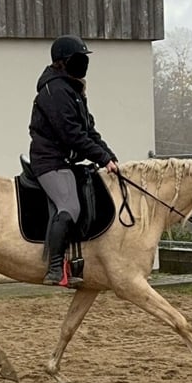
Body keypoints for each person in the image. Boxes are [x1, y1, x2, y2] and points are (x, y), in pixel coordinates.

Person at [28, 34, 119, 286]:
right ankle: (55, 267)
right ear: (63, 62)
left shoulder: (73, 89)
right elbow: (71, 134)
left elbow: (88, 130)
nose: (84, 64)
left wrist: (109, 155)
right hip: (49, 161)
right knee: (70, 207)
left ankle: (79, 262)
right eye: (79, 59)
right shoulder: (54, 91)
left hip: (65, 161)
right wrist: (101, 157)